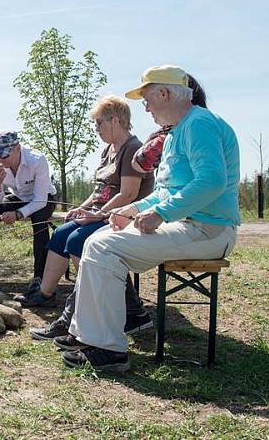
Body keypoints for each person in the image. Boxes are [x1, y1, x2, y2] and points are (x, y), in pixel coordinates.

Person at [59, 64, 240, 372]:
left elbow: (212, 181)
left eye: (147, 98)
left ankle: (108, 349)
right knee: (98, 241)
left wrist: (161, 214)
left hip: (209, 230)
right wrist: (133, 210)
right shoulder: (176, 133)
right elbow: (168, 191)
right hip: (188, 226)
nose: (145, 108)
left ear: (165, 93)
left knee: (104, 248)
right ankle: (89, 335)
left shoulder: (200, 124)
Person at [24, 95, 154, 340]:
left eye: (99, 123)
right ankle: (45, 294)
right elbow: (99, 191)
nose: (96, 129)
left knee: (77, 241)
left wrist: (95, 216)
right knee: (62, 233)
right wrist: (81, 209)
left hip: (123, 216)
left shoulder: (133, 149)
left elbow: (128, 194)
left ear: (115, 120)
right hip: (100, 213)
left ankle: (120, 311)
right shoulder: (108, 150)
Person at [0, 131, 57, 292]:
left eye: (5, 156)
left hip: (44, 197)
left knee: (39, 220)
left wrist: (18, 214)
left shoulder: (37, 159)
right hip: (18, 196)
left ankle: (39, 278)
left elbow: (40, 200)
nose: (2, 160)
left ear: (18, 148)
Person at [132, 74, 207, 173]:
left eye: (147, 101)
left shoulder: (168, 136)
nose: (147, 108)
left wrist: (154, 137)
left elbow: (139, 163)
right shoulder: (203, 122)